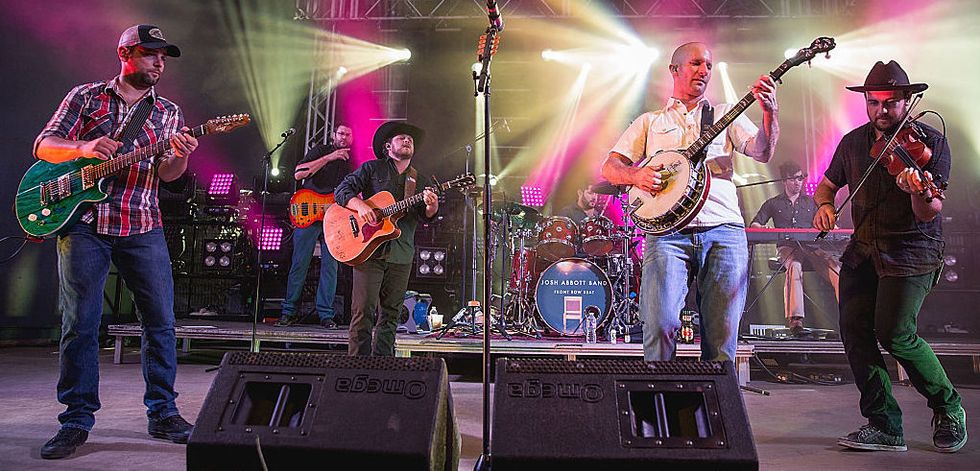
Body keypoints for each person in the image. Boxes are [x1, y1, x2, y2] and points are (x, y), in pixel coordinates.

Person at [33, 24, 197, 459]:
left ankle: (163, 413)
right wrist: (84, 148)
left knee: (160, 322)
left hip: (143, 222)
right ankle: (75, 421)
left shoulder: (168, 113)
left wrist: (178, 154)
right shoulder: (85, 97)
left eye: (164, 56)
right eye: (150, 53)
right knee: (80, 324)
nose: (160, 62)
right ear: (125, 53)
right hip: (85, 221)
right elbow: (45, 145)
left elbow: (168, 175)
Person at [813, 60, 966, 453]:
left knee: (895, 333)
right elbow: (826, 187)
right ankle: (884, 424)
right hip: (863, 251)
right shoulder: (852, 142)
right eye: (874, 102)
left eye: (891, 103)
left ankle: (948, 407)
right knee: (854, 332)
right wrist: (825, 206)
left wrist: (917, 190)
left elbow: (928, 210)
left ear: (908, 101)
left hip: (912, 252)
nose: (882, 111)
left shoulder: (931, 143)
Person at [601, 42, 779, 362]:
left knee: (722, 334)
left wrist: (770, 115)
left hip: (723, 229)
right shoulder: (650, 122)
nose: (704, 71)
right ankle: (659, 405)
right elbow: (610, 168)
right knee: (660, 324)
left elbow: (762, 152)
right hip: (667, 234)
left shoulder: (725, 114)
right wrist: (637, 177)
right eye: (696, 63)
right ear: (675, 70)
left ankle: (717, 407)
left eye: (709, 65)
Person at [333, 122, 439, 356]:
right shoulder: (372, 169)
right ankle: (356, 368)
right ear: (388, 146)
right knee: (363, 313)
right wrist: (360, 206)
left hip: (401, 254)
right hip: (368, 250)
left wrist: (432, 206)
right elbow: (342, 191)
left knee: (391, 315)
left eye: (410, 139)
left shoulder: (418, 181)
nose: (407, 140)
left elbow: (425, 217)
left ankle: (383, 367)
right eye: (401, 138)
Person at [277, 124, 353, 329]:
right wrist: (330, 157)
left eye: (348, 135)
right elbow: (298, 174)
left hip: (334, 217)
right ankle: (289, 311)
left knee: (331, 266)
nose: (344, 138)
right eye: (341, 134)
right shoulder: (321, 151)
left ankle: (326, 314)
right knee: (299, 262)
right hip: (309, 212)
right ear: (333, 135)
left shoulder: (354, 162)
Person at [750, 161, 840, 331]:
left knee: (836, 268)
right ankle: (795, 320)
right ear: (785, 181)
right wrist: (764, 229)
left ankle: (850, 316)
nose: (798, 182)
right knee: (794, 265)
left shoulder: (811, 202)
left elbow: (828, 224)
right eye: (794, 179)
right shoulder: (772, 203)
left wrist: (832, 226)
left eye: (801, 178)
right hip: (788, 248)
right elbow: (755, 224)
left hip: (811, 247)